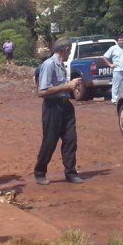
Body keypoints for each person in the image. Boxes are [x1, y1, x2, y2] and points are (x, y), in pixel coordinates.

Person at [34, 38, 83, 186]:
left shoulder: (61, 65)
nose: (69, 53)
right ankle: (40, 172)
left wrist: (71, 87)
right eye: (69, 50)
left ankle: (71, 172)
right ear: (64, 50)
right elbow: (42, 91)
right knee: (50, 141)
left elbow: (63, 87)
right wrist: (67, 86)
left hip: (65, 105)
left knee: (70, 139)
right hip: (52, 107)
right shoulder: (49, 65)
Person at [102, 34, 123, 104]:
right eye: (119, 40)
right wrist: (110, 64)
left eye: (122, 40)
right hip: (117, 70)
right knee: (116, 85)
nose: (121, 41)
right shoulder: (113, 48)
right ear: (117, 41)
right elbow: (104, 57)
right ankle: (114, 100)